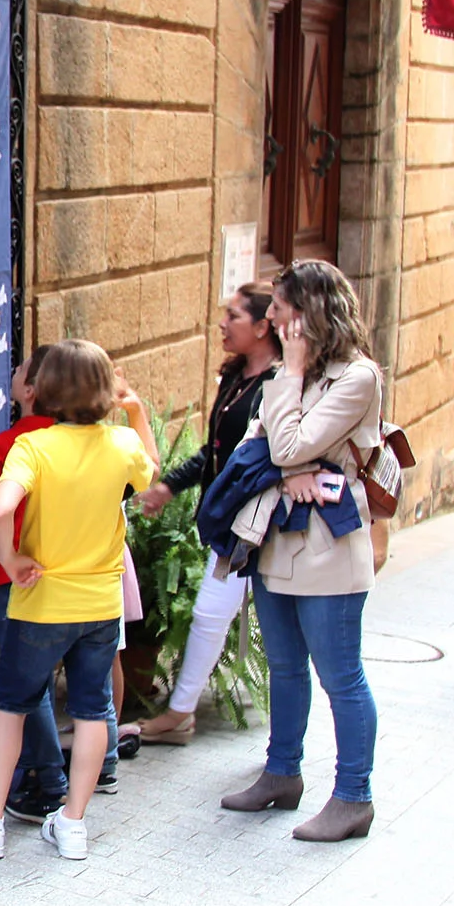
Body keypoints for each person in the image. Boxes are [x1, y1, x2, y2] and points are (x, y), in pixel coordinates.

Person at [0, 340, 154, 862]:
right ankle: (72, 825)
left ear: (45, 390)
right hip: (99, 603)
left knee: (11, 706)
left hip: (40, 602)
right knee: (91, 710)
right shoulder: (121, 444)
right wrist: (137, 413)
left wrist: (11, 558)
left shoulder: (31, 447)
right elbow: (150, 472)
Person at [218, 260, 383, 842]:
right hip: (275, 542)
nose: (275, 318)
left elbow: (285, 444)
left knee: (341, 676)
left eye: (283, 309)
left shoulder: (355, 377)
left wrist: (288, 452)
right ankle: (281, 773)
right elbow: (255, 445)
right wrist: (287, 470)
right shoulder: (294, 375)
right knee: (285, 669)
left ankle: (353, 796)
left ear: (309, 312)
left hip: (328, 552)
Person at [133, 283, 282, 743]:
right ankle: (181, 713)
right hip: (228, 521)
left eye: (233, 316)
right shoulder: (238, 377)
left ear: (262, 326)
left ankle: (183, 714)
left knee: (219, 614)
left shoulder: (278, 385)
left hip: (258, 523)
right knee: (211, 614)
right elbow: (215, 451)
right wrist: (168, 487)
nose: (222, 323)